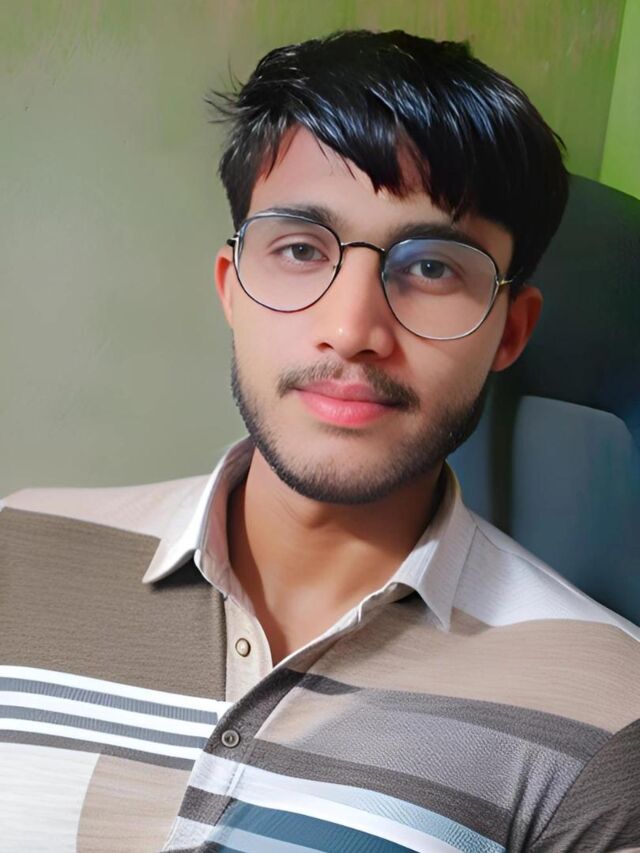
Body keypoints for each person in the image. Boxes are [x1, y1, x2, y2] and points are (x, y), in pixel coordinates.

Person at [1, 28, 638, 853]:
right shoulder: (16, 551)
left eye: (433, 267)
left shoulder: (612, 713)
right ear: (233, 288)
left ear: (510, 330)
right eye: (301, 249)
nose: (352, 329)